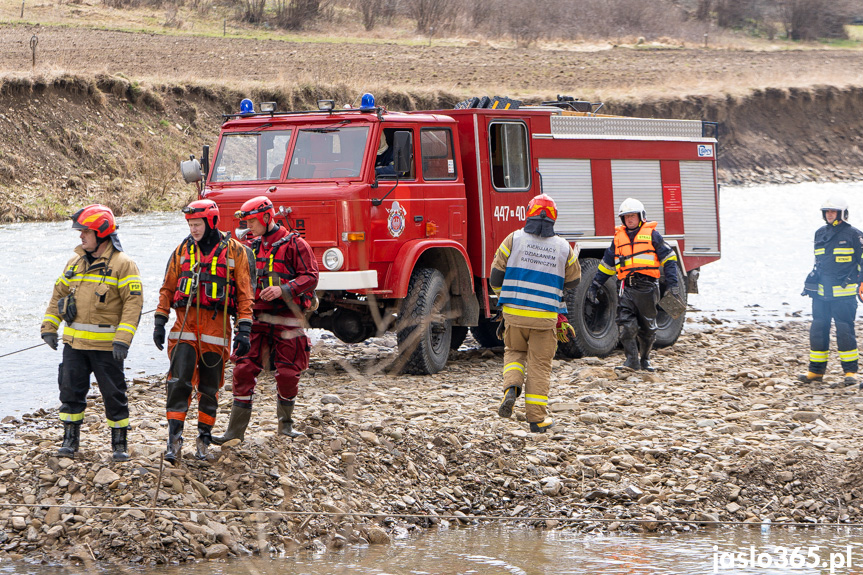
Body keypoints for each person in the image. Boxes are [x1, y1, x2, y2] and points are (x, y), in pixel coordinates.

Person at [212, 196, 319, 445]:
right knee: (243, 368)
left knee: (288, 372)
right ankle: (234, 433)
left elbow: (311, 277)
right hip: (255, 317)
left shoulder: (296, 245)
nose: (248, 226)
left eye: (252, 221)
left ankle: (286, 426)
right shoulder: (248, 246)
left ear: (267, 218)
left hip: (287, 318)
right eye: (246, 222)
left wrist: (284, 289)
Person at [153, 200, 254, 463]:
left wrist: (244, 329)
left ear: (212, 222)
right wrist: (159, 321)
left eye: (197, 224)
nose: (193, 229)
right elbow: (167, 287)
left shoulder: (236, 252)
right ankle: (174, 441)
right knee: (178, 383)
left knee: (210, 388)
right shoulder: (182, 251)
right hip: (184, 327)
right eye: (189, 224)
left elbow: (245, 294)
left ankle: (204, 440)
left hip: (216, 329)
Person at [40, 205, 143, 461]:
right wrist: (49, 328)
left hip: (108, 347)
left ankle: (119, 445)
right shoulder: (74, 263)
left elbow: (133, 304)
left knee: (114, 394)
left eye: (86, 231)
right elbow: (58, 296)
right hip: (74, 344)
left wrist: (123, 339)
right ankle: (69, 440)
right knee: (70, 392)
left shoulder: (124, 264)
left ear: (102, 233)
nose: (81, 236)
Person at [490, 194, 580, 434]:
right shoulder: (563, 247)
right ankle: (537, 420)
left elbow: (495, 277)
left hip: (514, 316)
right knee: (540, 366)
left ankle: (511, 388)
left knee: (514, 352)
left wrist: (504, 298)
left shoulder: (513, 239)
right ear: (554, 217)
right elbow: (574, 281)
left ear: (528, 213)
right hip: (545, 319)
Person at [586, 198, 679, 372]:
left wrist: (673, 285)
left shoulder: (653, 235)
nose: (629, 219)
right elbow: (606, 265)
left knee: (648, 328)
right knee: (626, 324)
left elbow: (669, 259)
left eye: (632, 216)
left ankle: (645, 359)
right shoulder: (618, 239)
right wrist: (595, 285)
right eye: (626, 216)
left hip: (647, 288)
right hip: (625, 288)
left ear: (641, 217)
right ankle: (631, 360)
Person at [798, 197, 863, 387]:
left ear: (843, 213)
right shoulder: (820, 233)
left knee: (844, 330)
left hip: (844, 294)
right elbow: (819, 263)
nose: (829, 215)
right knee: (818, 329)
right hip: (820, 292)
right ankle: (815, 372)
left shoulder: (854, 235)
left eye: (833, 212)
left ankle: (851, 372)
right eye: (827, 212)